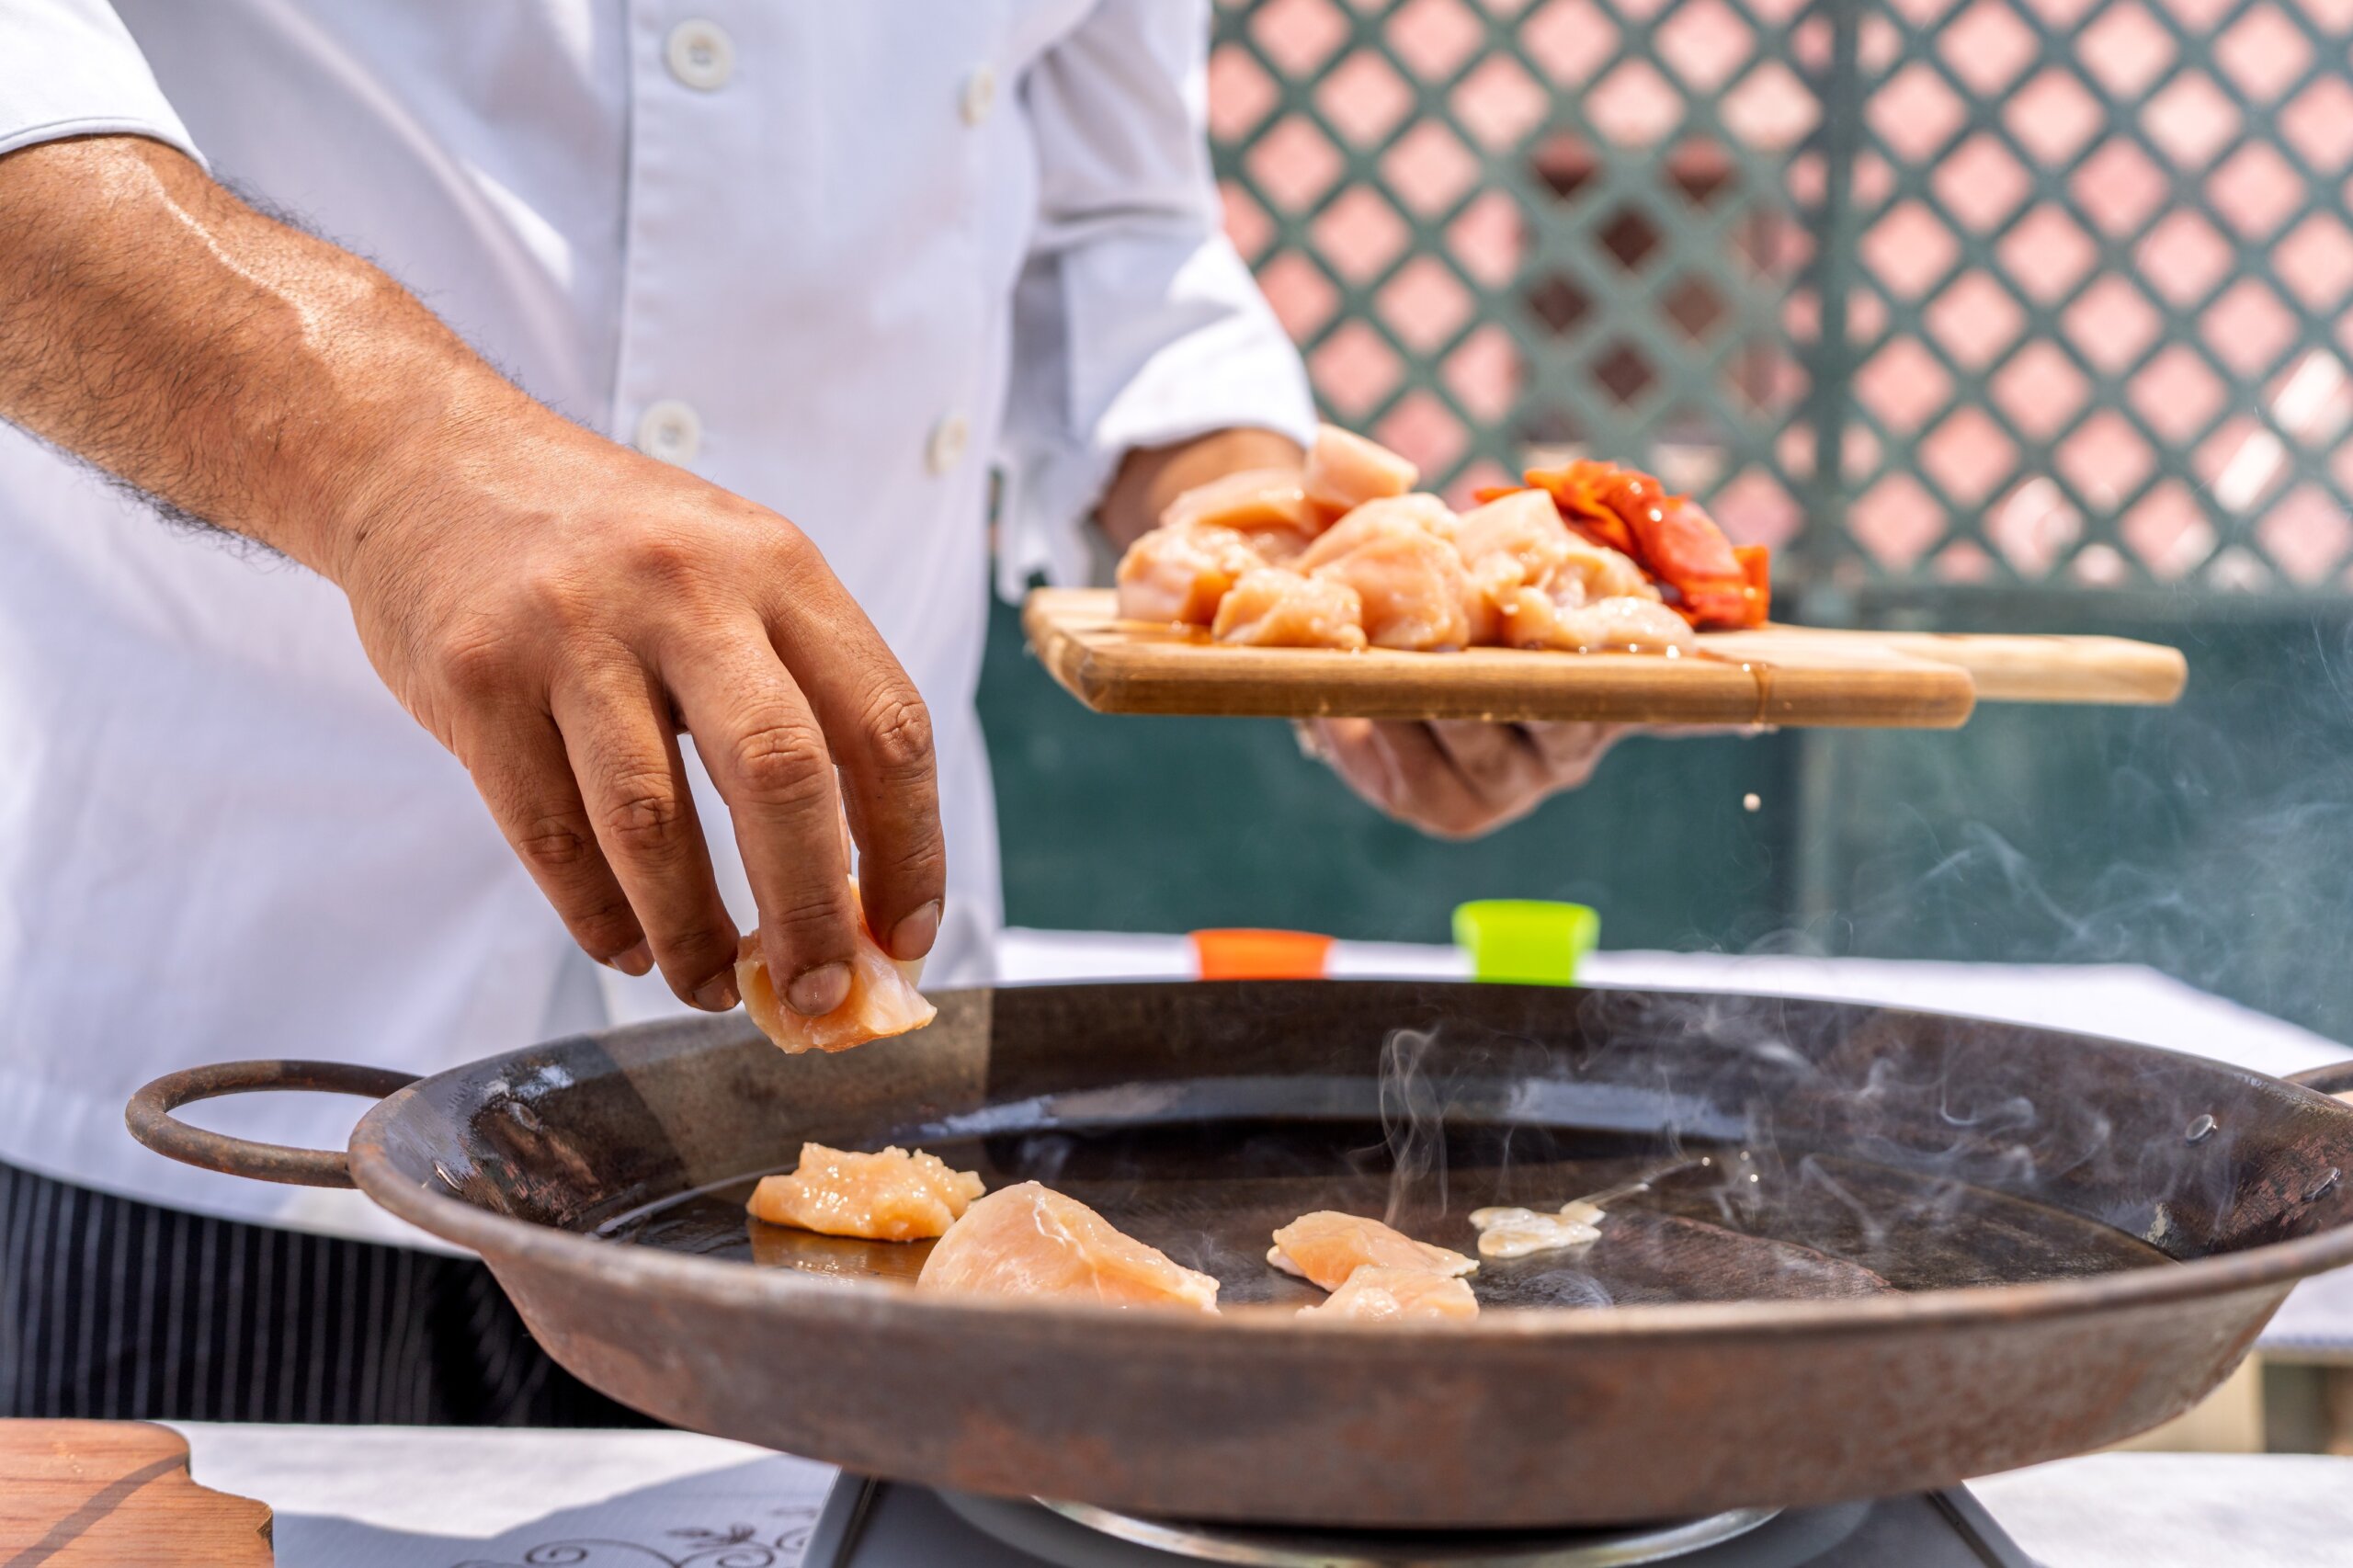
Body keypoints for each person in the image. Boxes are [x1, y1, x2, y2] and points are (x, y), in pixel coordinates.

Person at [0, 1, 1634, 1423]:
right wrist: (401, 462)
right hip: (213, 1060)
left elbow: (1103, 222)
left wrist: (1259, 535)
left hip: (861, 1137)